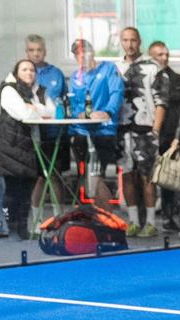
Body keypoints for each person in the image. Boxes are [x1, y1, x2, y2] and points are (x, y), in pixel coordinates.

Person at [117, 26, 168, 237]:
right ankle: (133, 221)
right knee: (127, 176)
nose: (129, 44)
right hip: (122, 130)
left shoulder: (152, 67)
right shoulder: (116, 68)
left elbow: (161, 101)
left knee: (148, 177)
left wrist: (156, 128)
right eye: (125, 40)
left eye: (133, 40)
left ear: (139, 41)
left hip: (146, 130)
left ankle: (150, 222)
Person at [0, 59, 56, 239]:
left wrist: (35, 107)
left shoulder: (37, 90)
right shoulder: (9, 90)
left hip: (30, 148)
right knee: (13, 191)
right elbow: (23, 114)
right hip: (12, 148)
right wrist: (37, 109)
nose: (29, 73)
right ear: (16, 73)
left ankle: (22, 228)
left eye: (32, 70)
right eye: (24, 69)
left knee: (26, 191)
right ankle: (12, 227)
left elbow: (52, 112)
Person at [68, 39, 125, 213]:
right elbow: (75, 104)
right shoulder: (75, 77)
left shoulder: (109, 69)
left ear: (92, 52)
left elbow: (116, 93)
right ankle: (93, 217)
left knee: (96, 175)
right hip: (80, 131)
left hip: (104, 131)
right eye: (78, 54)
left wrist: (107, 112)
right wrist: (81, 114)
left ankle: (107, 216)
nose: (82, 57)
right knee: (86, 175)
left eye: (85, 52)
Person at [25, 35, 68, 212]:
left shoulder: (56, 72)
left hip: (56, 133)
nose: (36, 54)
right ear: (26, 52)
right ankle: (36, 220)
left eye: (39, 50)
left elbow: (65, 100)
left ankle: (60, 218)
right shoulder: (24, 72)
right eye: (31, 50)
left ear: (45, 51)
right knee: (40, 177)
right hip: (34, 133)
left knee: (55, 175)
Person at [149, 40, 180, 233]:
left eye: (166, 54)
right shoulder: (145, 79)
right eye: (159, 55)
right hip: (147, 135)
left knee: (169, 178)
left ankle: (170, 216)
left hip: (170, 136)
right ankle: (145, 220)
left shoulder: (178, 80)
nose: (164, 58)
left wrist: (178, 137)